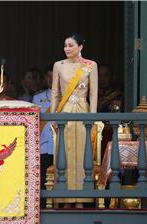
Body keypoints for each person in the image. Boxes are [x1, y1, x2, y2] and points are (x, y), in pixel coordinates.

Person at [50, 34, 98, 208]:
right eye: (65, 45)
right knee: (64, 153)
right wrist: (53, 116)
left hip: (83, 112)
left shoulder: (90, 65)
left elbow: (93, 94)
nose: (67, 48)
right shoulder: (58, 66)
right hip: (64, 112)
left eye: (70, 45)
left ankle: (81, 200)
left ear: (80, 47)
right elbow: (55, 93)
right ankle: (63, 198)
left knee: (81, 154)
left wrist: (92, 117)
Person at [32, 64, 54, 206]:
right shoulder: (38, 98)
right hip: (44, 145)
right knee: (42, 178)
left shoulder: (69, 98)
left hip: (61, 145)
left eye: (54, 76)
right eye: (49, 76)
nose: (51, 79)